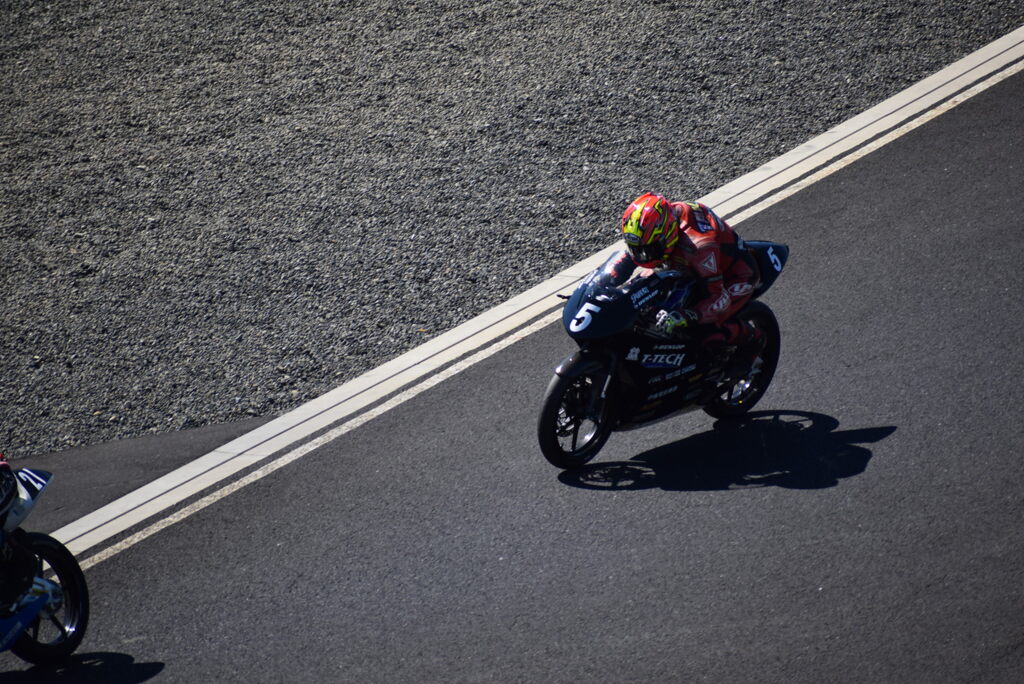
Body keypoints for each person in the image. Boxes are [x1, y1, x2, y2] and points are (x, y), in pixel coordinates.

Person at [606, 192, 764, 376]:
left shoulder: (700, 248)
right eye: (637, 249)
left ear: (667, 235)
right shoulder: (659, 225)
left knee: (706, 331)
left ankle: (753, 339)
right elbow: (627, 260)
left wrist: (686, 315)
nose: (643, 256)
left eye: (648, 250)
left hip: (734, 275)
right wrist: (600, 288)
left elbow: (718, 299)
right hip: (687, 267)